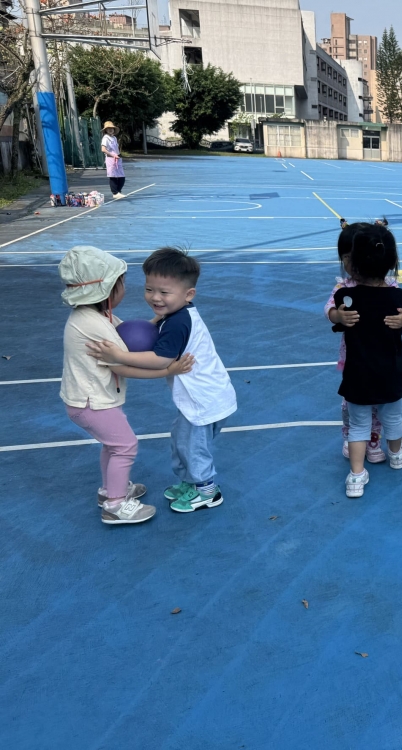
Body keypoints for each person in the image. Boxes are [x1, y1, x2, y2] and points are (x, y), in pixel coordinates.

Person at [88, 248, 238, 513]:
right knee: (181, 440)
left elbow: (160, 360)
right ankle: (191, 483)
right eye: (149, 289)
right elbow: (154, 327)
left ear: (188, 294)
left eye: (164, 292)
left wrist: (118, 356)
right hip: (201, 398)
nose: (155, 297)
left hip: (205, 400)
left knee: (193, 447)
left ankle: (207, 492)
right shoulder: (177, 314)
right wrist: (155, 319)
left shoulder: (178, 323)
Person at [60, 246, 194, 524]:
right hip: (92, 403)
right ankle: (116, 505)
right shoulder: (92, 325)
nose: (124, 288)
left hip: (92, 399)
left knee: (112, 445)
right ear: (108, 290)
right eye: (120, 283)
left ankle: (110, 490)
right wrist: (167, 370)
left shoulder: (96, 316)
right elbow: (121, 365)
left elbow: (131, 334)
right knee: (125, 446)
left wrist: (160, 318)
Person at [332, 224, 402, 498]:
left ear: (353, 262)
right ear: (391, 262)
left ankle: (356, 475)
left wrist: (338, 316)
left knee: (358, 425)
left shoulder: (345, 297)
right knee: (393, 417)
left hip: (357, 373)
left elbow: (331, 311)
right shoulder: (397, 295)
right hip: (390, 372)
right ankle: (396, 455)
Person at [100, 121, 126, 199]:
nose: (110, 130)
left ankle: (118, 191)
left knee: (121, 176)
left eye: (112, 128)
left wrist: (118, 155)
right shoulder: (105, 138)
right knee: (113, 176)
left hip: (117, 159)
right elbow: (103, 149)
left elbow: (116, 149)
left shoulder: (114, 138)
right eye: (108, 128)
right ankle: (115, 193)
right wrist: (112, 155)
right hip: (110, 159)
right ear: (106, 130)